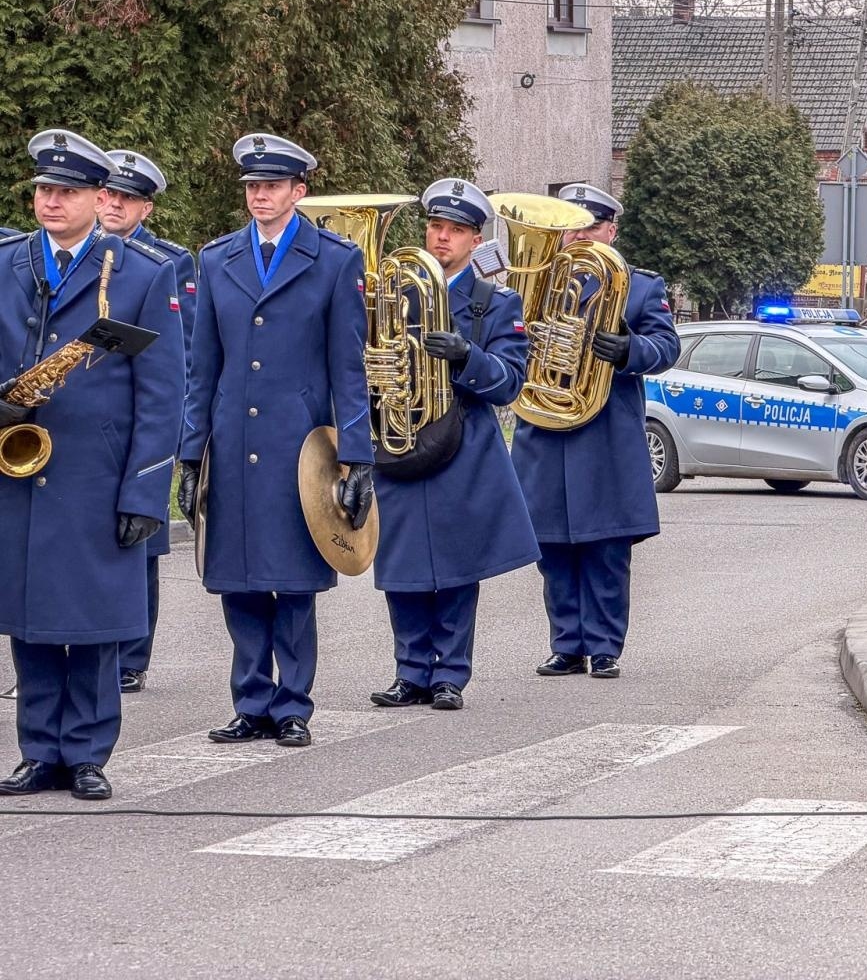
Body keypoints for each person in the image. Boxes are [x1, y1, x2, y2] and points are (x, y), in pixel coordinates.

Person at [0, 130, 183, 799]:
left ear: (97, 198)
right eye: (44, 190)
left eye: (66, 192)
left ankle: (86, 753)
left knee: (95, 625)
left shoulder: (139, 271)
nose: (50, 202)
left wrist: (144, 492)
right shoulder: (7, 262)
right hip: (16, 473)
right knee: (30, 619)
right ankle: (38, 750)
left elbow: (163, 393)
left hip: (96, 478)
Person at [179, 133, 373, 749]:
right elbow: (201, 366)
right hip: (233, 445)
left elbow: (349, 366)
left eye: (272, 186)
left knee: (292, 585)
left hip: (300, 450)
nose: (260, 195)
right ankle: (250, 702)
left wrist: (357, 456)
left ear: (299, 192)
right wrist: (190, 453)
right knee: (237, 581)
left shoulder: (335, 260)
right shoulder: (217, 259)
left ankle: (293, 705)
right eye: (252, 187)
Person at [368, 179, 541, 711]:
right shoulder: (391, 291)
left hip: (461, 443)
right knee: (402, 563)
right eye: (436, 227)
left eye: (456, 231)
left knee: (456, 565)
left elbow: (512, 382)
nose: (442, 238)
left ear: (474, 240)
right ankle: (410, 670)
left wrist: (469, 357)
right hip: (398, 438)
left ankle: (450, 673)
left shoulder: (495, 300)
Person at [512, 183, 679, 680]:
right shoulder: (536, 279)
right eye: (571, 227)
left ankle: (604, 645)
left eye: (590, 226)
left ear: (610, 230)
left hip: (604, 434)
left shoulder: (641, 286)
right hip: (546, 431)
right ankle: (567, 643)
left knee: (606, 548)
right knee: (553, 548)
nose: (579, 236)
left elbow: (665, 349)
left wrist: (628, 349)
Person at [99, 150, 196, 695]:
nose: (114, 205)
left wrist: (176, 433)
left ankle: (133, 654)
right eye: (108, 195)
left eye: (126, 198)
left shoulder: (168, 261)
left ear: (146, 208)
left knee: (142, 542)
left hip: (144, 410)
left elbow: (179, 353)